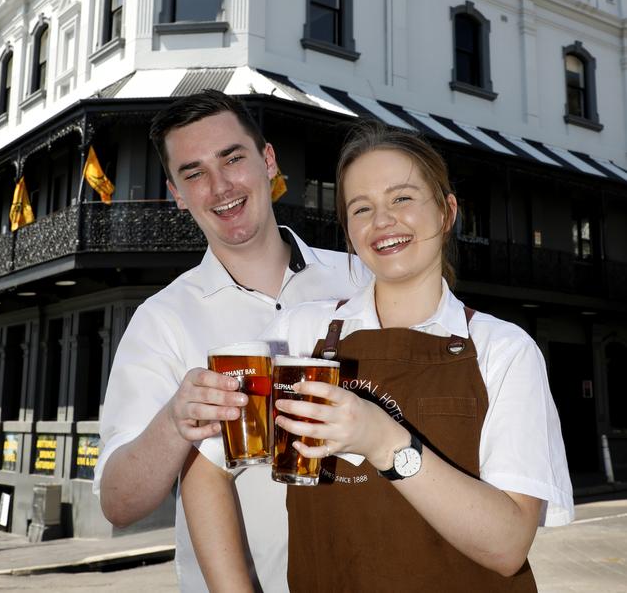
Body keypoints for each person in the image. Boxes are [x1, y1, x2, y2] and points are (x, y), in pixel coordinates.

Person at [187, 121, 573, 592]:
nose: (382, 221)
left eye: (402, 198)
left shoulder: (504, 351)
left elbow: (509, 546)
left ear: (448, 211)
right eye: (361, 208)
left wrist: (381, 439)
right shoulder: (300, 335)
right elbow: (204, 469)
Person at [93, 91, 367, 593]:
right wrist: (176, 423)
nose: (220, 187)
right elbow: (118, 502)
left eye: (232, 158)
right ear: (176, 192)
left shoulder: (361, 280)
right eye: (193, 173)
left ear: (267, 161)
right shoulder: (162, 320)